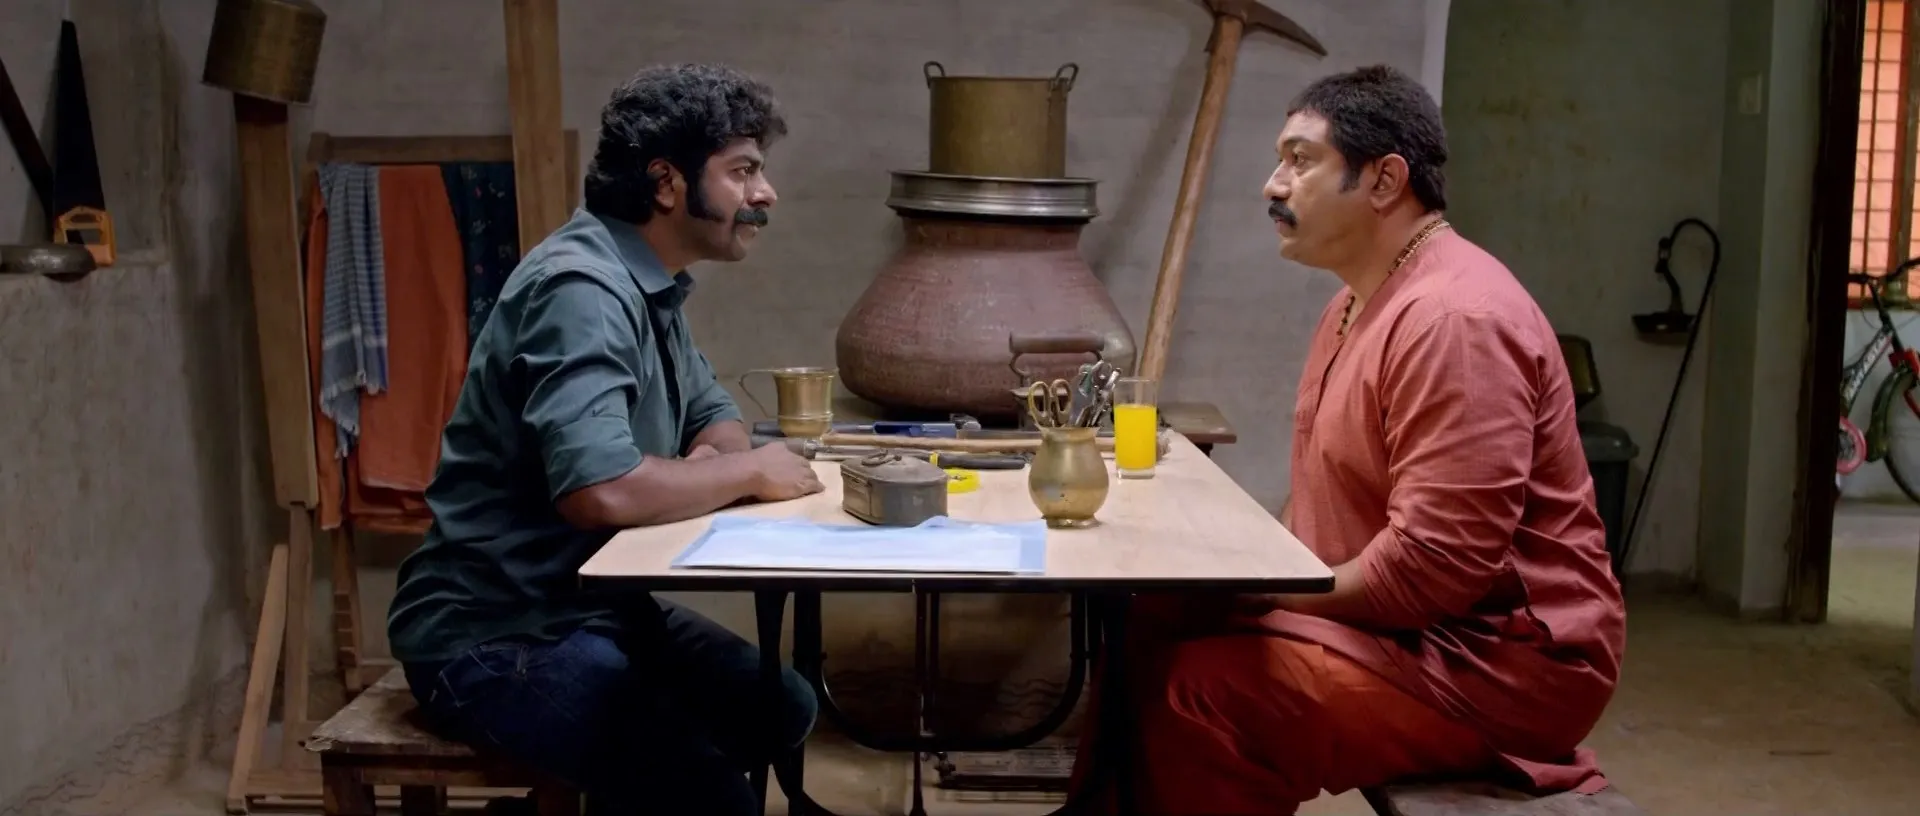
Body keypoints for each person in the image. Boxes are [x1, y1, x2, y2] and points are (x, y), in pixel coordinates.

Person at [1068, 64, 1627, 815]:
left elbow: (1435, 571)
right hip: (1405, 629)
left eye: (1300, 160)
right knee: (1150, 618)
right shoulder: (1353, 306)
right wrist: (1236, 578)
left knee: (1206, 697)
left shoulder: (1455, 321)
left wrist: (1268, 592)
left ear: (1385, 180)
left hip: (1492, 663)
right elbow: (1327, 503)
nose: (1272, 185)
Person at [386, 63, 826, 815]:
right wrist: (747, 473)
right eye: (743, 171)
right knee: (711, 798)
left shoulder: (648, 283)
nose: (765, 193)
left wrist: (706, 467)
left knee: (778, 707)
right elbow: (602, 491)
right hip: (496, 630)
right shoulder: (582, 289)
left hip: (590, 607)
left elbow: (715, 420)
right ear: (666, 182)